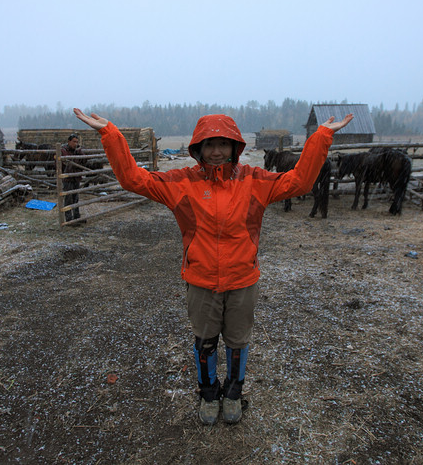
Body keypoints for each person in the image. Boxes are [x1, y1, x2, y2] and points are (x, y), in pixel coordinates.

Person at [73, 107, 353, 425]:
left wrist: (321, 137)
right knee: (205, 341)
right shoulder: (181, 183)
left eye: (223, 143)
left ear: (235, 147)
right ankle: (208, 394)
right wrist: (110, 133)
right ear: (198, 149)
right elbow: (132, 179)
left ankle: (233, 393)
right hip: (201, 280)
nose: (217, 151)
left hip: (242, 279)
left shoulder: (254, 181)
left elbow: (301, 182)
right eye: (209, 144)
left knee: (237, 341)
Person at [60, 134, 84, 222]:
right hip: (67, 178)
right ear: (69, 141)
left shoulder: (77, 151)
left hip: (76, 177)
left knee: (76, 198)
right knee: (68, 198)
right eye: (74, 141)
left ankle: (77, 216)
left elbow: (83, 161)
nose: (75, 144)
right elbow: (64, 164)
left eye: (77, 142)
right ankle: (69, 218)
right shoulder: (63, 150)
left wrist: (80, 152)